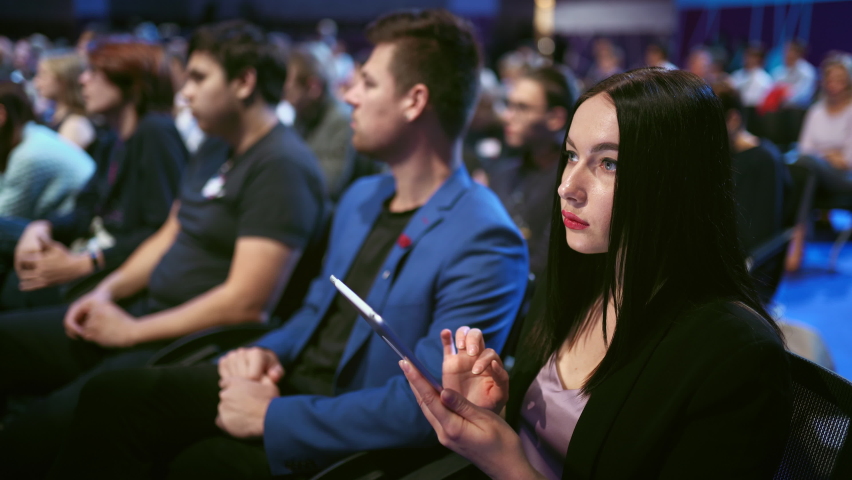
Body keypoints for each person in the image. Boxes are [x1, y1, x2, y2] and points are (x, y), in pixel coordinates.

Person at [49, 9, 528, 479]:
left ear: (414, 101)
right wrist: (264, 352)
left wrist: (275, 418)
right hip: (284, 382)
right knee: (115, 396)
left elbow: (429, 406)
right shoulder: (363, 196)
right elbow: (315, 309)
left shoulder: (485, 237)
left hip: (338, 432)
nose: (348, 94)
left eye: (367, 82)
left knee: (185, 460)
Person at [403, 68, 792, 479]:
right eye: (571, 155)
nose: (567, 186)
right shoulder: (576, 278)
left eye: (608, 164)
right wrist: (494, 413)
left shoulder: (734, 354)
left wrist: (506, 463)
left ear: (676, 182)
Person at [0, 21, 328, 478]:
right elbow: (167, 235)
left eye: (197, 78)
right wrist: (105, 293)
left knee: (29, 438)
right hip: (141, 311)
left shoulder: (282, 166)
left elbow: (246, 304)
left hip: (182, 340)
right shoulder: (215, 146)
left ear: (244, 82)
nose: (184, 92)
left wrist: (131, 331)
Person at [0, 40, 186, 311]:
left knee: (15, 290)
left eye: (95, 73)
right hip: (92, 252)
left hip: (120, 268)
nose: (83, 80)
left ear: (130, 85)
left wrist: (87, 262)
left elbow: (159, 232)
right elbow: (86, 209)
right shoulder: (113, 137)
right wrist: (41, 227)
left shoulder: (156, 133)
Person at [488, 66, 573, 279]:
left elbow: (544, 268)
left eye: (522, 108)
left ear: (555, 118)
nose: (507, 116)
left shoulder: (571, 185)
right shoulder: (501, 175)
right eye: (508, 105)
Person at [714, 81, 788, 301]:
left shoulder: (765, 160)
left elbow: (757, 235)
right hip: (718, 253)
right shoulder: (722, 153)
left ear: (734, 119)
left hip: (741, 266)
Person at [787, 54, 852, 271]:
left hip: (845, 178)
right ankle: (796, 238)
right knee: (805, 169)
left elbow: (848, 160)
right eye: (830, 79)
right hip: (816, 171)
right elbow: (804, 149)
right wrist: (831, 154)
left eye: (840, 80)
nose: (834, 85)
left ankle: (796, 241)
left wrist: (822, 155)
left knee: (808, 166)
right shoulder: (816, 110)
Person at [0, 82, 94, 221]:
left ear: (2, 114)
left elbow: (7, 216)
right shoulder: (32, 133)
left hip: (78, 225)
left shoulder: (27, 155)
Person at [284, 45, 353, 197]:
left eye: (289, 90)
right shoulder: (303, 115)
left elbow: (330, 184)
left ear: (313, 87)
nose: (285, 99)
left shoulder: (341, 120)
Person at [32, 51, 96, 150]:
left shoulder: (75, 125)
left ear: (64, 80)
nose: (36, 82)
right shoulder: (55, 117)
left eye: (43, 75)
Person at [770, 40, 817, 109]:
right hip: (779, 108)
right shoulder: (777, 71)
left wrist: (786, 96)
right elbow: (772, 91)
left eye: (791, 51)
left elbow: (806, 95)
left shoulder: (807, 71)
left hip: (799, 109)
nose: (787, 54)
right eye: (786, 51)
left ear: (799, 54)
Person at [731, 45, 773, 109]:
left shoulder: (765, 79)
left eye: (752, 56)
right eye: (747, 55)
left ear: (759, 59)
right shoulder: (737, 74)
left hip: (754, 111)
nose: (748, 59)